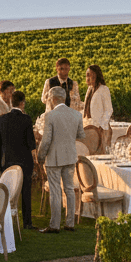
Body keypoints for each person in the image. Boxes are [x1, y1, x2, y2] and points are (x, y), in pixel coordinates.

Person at [36, 85, 86, 233]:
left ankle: (55, 225)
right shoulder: (76, 114)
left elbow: (46, 141)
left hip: (54, 158)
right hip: (70, 156)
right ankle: (70, 223)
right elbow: (81, 135)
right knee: (69, 190)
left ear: (53, 99)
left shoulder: (50, 115)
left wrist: (40, 156)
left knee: (56, 191)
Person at [0, 90, 37, 229]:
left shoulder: (1, 119)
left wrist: (0, 164)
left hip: (8, 162)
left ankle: (5, 220)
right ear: (22, 103)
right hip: (24, 161)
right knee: (25, 192)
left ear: (11, 103)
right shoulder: (26, 119)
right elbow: (31, 143)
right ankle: (27, 222)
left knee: (7, 192)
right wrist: (35, 162)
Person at [82, 64, 113, 152]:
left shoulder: (104, 89)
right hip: (89, 127)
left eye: (89, 75)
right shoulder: (89, 89)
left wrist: (101, 126)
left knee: (101, 153)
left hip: (100, 129)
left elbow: (109, 109)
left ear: (96, 75)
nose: (87, 78)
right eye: (86, 75)